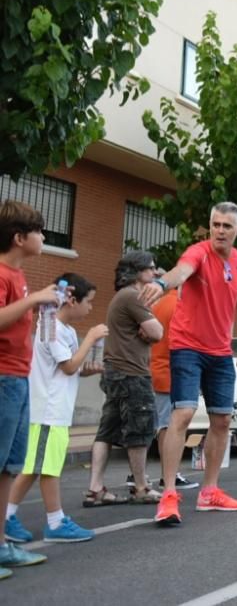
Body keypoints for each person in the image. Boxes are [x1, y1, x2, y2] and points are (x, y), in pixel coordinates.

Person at [140, 202, 237, 526]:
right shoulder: (198, 253)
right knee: (184, 414)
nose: (219, 230)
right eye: (215, 224)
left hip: (220, 352)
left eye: (226, 226)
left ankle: (209, 492)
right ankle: (169, 494)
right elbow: (182, 271)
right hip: (187, 346)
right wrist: (163, 284)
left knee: (221, 422)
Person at [5, 273, 106, 545]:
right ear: (71, 300)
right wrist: (91, 338)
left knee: (36, 466)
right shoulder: (49, 326)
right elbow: (68, 366)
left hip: (56, 410)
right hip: (47, 411)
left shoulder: (68, 331)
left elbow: (73, 368)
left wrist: (90, 368)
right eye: (89, 301)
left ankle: (7, 515)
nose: (90, 308)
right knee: (47, 468)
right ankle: (55, 521)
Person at [0, 200, 58, 574]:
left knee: (8, 467)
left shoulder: (19, 277)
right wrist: (36, 299)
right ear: (20, 238)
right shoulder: (3, 274)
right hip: (3, 378)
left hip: (18, 379)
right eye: (39, 231)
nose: (43, 237)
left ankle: (3, 545)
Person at [86, 251, 163, 507]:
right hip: (132, 373)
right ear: (137, 271)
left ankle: (95, 489)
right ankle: (141, 487)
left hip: (115, 372)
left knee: (106, 430)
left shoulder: (123, 296)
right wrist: (150, 331)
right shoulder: (132, 295)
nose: (155, 272)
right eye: (150, 268)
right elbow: (158, 331)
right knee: (139, 430)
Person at [140, 277, 198, 491]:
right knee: (167, 426)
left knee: (153, 425)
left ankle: (138, 474)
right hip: (169, 373)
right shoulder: (180, 307)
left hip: (153, 369)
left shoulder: (159, 304)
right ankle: (169, 476)